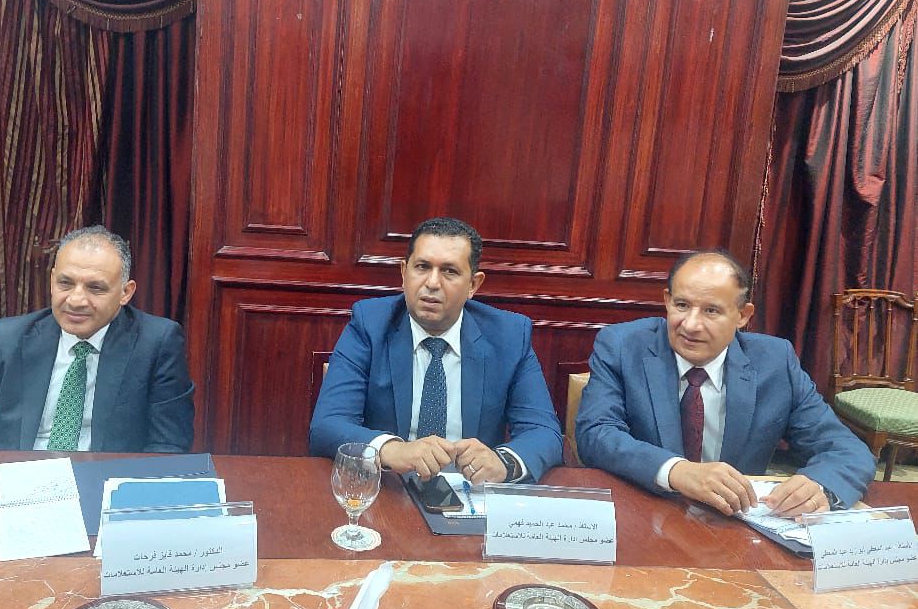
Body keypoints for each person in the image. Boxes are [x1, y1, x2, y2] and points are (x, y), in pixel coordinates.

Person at [575, 250, 875, 516]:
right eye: (682, 305)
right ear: (666, 301)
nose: (691, 325)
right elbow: (596, 433)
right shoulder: (623, 346)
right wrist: (677, 471)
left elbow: (846, 449)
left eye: (711, 310)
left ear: (743, 315)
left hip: (733, 526)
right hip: (643, 513)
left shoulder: (775, 362)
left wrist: (819, 487)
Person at [308, 217, 563, 484]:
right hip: (389, 489)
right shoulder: (370, 324)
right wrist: (392, 450)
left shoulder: (508, 335)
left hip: (471, 491)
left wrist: (503, 463)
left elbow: (544, 432)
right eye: (422, 267)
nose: (432, 282)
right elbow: (327, 425)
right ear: (404, 272)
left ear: (473, 285)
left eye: (449, 271)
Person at [0, 226, 194, 452]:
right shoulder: (8, 338)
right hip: (21, 475)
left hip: (104, 479)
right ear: (52, 281)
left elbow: (169, 445)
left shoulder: (157, 343)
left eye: (95, 288)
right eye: (65, 283)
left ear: (125, 292)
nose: (76, 300)